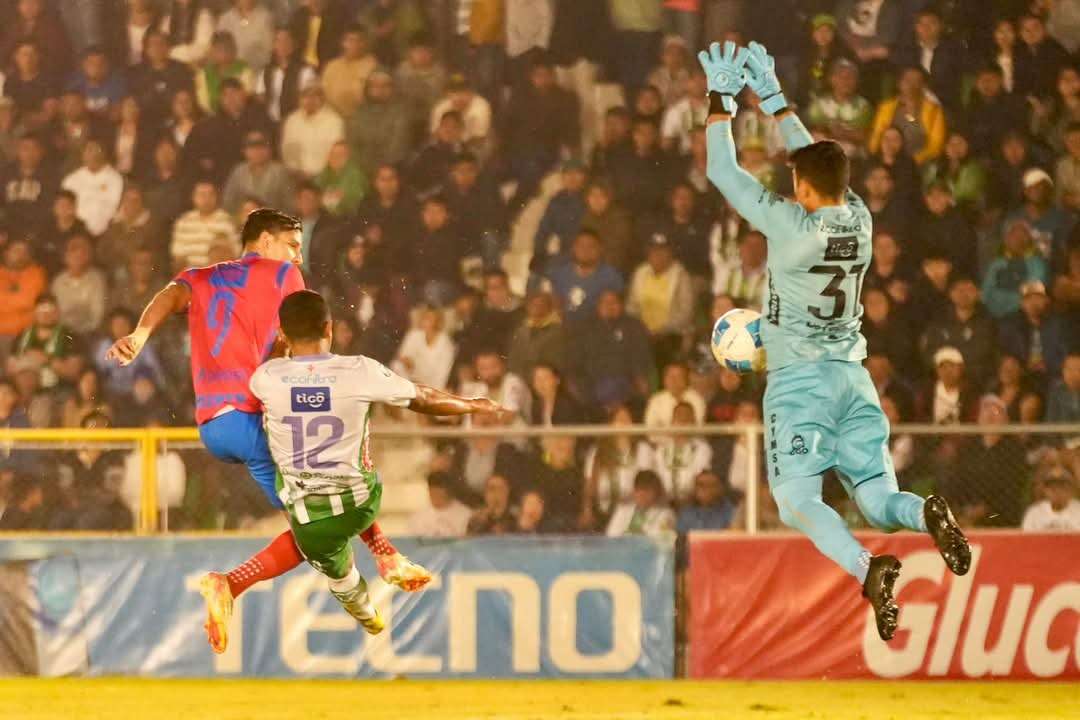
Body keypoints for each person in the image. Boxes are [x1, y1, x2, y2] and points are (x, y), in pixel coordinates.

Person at [698, 40, 970, 641]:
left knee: (796, 500)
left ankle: (867, 569)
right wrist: (774, 100)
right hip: (854, 377)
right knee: (878, 499)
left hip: (801, 384)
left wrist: (721, 100)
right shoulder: (859, 220)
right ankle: (925, 512)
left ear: (803, 189)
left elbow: (722, 170)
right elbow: (818, 161)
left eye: (795, 181)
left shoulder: (788, 227)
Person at [106, 211, 429, 655]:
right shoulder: (283, 274)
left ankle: (367, 573)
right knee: (326, 503)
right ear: (264, 241)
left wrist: (141, 335)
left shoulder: (200, 277)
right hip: (251, 412)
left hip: (214, 424)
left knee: (314, 520)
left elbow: (169, 293)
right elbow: (300, 346)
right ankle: (379, 560)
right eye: (292, 243)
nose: (298, 254)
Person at [252, 290, 504, 632]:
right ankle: (385, 554)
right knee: (359, 464)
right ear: (329, 328)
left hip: (303, 510)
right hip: (357, 501)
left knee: (339, 571)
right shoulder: (358, 369)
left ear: (282, 333)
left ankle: (369, 592)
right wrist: (471, 404)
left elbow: (283, 365)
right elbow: (423, 399)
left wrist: (284, 345)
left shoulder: (265, 378)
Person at [605, 470, 676, 539]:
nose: (642, 495)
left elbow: (661, 541)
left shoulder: (666, 515)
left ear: (657, 492)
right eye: (639, 489)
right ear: (634, 491)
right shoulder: (622, 511)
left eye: (647, 490)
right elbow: (611, 535)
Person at [409, 472, 473, 538]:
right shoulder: (418, 517)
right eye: (433, 493)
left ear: (449, 491)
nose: (436, 497)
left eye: (439, 494)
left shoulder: (467, 515)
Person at [1022, 466, 1080, 531]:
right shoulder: (1034, 513)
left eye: (1062, 486)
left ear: (1070, 489)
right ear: (1045, 490)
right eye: (1052, 487)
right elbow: (1026, 539)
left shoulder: (1078, 511)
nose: (1057, 491)